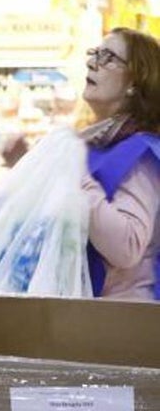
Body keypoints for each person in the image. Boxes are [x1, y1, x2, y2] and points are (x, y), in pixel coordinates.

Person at [79, 27, 160, 300]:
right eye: (95, 53)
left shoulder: (140, 154)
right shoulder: (98, 142)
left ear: (135, 82)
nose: (93, 62)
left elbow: (127, 247)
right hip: (94, 318)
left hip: (121, 324)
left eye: (109, 57)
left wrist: (74, 175)